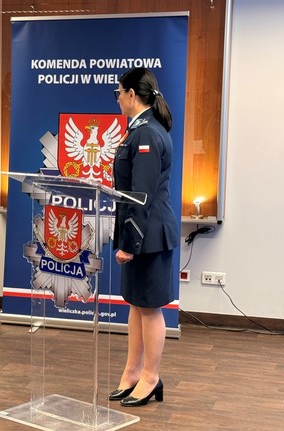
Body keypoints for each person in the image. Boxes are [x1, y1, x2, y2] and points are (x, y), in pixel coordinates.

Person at [108, 68, 179, 406]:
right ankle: (133, 372)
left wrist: (129, 243)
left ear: (132, 95)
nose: (117, 99)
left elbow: (141, 196)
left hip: (149, 237)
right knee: (136, 305)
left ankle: (151, 377)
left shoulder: (147, 133)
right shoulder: (138, 130)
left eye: (119, 93)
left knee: (149, 308)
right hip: (141, 234)